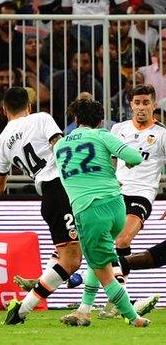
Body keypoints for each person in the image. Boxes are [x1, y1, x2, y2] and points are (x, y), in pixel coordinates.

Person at [53, 99, 149, 327]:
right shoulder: (102, 135)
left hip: (88, 210)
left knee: (104, 270)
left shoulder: (59, 146)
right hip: (116, 207)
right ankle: (83, 311)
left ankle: (133, 318)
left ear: (76, 120)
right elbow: (135, 158)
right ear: (100, 121)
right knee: (97, 262)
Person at [0, 87, 81, 325]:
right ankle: (22, 310)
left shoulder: (3, 140)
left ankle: (82, 301)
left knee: (73, 250)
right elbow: (59, 145)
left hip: (47, 194)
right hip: (61, 187)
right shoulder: (41, 118)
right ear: (29, 106)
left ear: (4, 110)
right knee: (72, 260)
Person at [93, 84, 163, 318]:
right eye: (137, 103)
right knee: (102, 246)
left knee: (123, 239)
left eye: (146, 103)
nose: (141, 107)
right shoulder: (118, 129)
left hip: (142, 194)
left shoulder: (162, 134)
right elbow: (111, 162)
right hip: (115, 193)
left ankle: (116, 301)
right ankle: (116, 300)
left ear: (154, 104)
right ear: (130, 104)